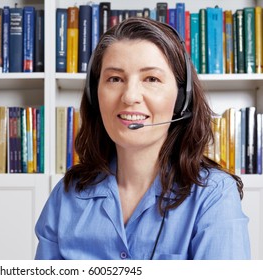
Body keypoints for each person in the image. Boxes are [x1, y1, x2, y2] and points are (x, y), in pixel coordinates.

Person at [35, 17, 250, 260]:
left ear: (182, 99)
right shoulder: (66, 196)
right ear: (95, 96)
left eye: (151, 79)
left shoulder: (213, 194)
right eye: (115, 79)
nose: (130, 96)